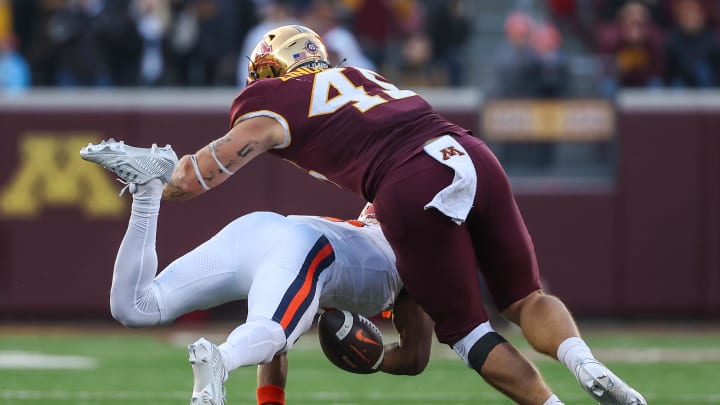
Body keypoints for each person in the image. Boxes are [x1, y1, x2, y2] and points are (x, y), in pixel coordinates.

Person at [99, 25, 647, 405]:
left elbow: (197, 177)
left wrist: (162, 182)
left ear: (271, 72)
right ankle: (584, 361)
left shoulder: (274, 101)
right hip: (469, 151)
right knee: (526, 297)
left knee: (470, 333)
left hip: (405, 184)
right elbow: (411, 354)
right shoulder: (361, 75)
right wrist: (375, 355)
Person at [81, 141, 562, 405]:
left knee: (137, 307)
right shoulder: (421, 250)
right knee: (271, 328)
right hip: (309, 250)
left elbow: (283, 340)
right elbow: (415, 358)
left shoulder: (376, 220)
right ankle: (219, 362)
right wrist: (371, 359)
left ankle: (147, 189)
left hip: (262, 230)